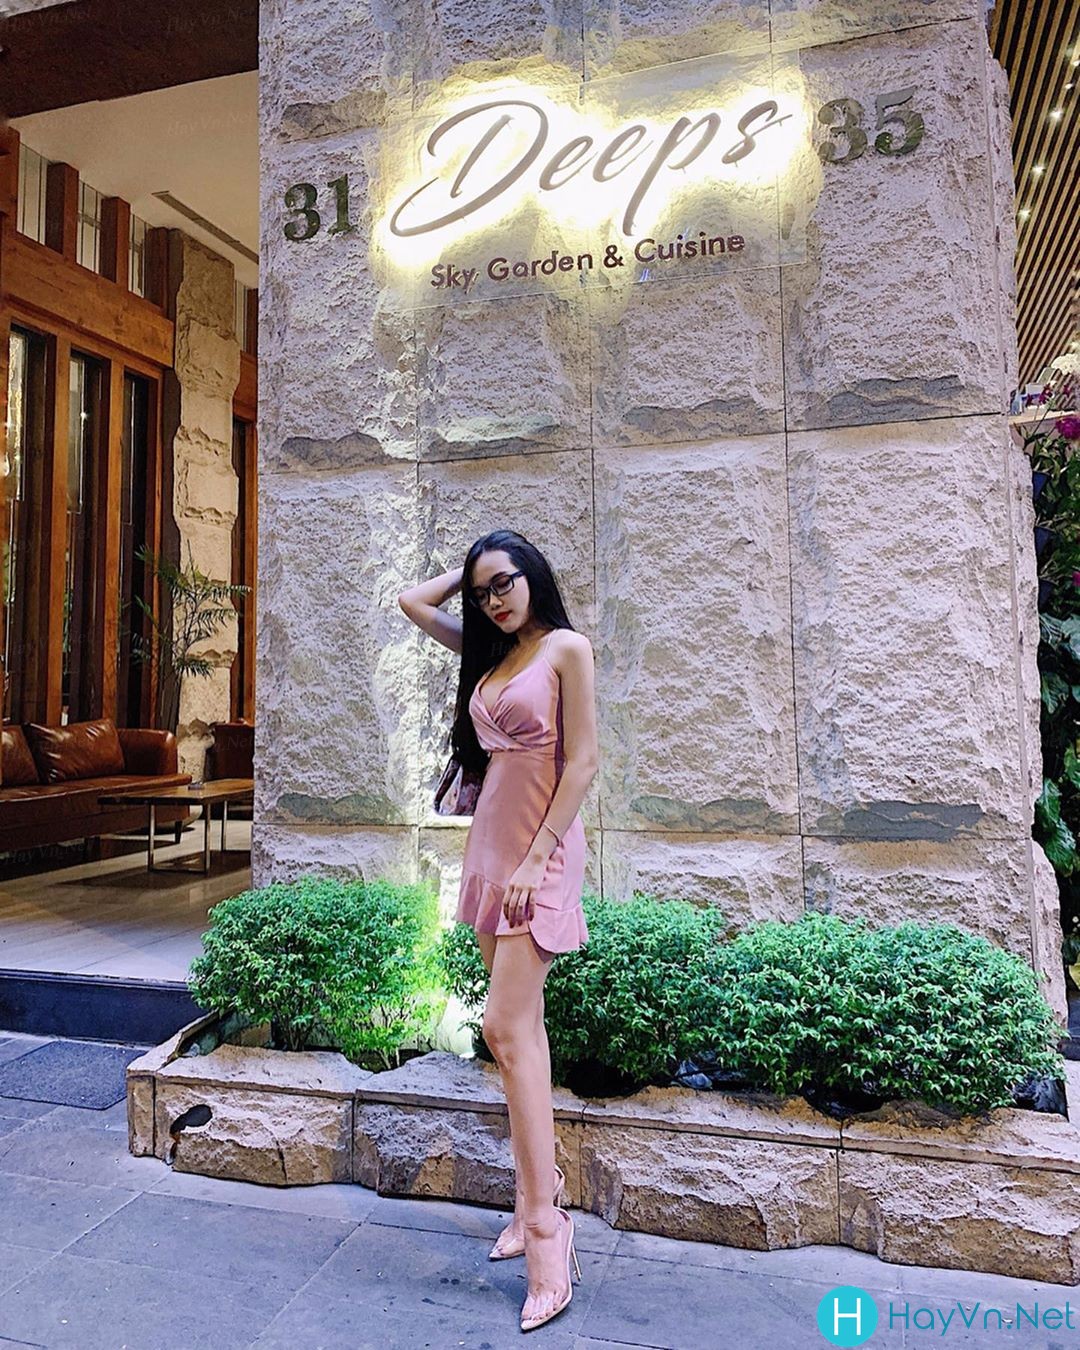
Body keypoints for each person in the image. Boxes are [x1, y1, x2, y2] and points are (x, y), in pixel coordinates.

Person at [398, 528, 598, 1333]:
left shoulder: (565, 650)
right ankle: (534, 1197)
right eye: (483, 592)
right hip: (489, 852)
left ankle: (548, 1231)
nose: (493, 600)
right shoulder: (490, 654)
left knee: (504, 1028)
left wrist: (536, 858)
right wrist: (473, 566)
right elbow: (412, 603)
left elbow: (583, 763)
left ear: (533, 575)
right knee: (524, 1035)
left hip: (539, 855)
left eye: (505, 582)